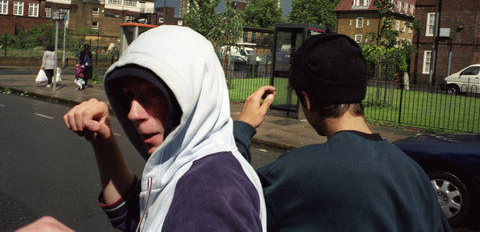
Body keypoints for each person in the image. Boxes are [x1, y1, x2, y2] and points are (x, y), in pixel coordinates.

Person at [234, 34, 451, 231]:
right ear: (360, 91)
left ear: (307, 101)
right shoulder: (413, 175)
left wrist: (243, 128)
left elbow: (225, 203)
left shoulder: (291, 173)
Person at [63, 26, 266, 231]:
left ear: (190, 95)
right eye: (129, 95)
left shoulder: (210, 195)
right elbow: (137, 217)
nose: (133, 113)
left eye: (152, 93)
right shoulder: (196, 163)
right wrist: (103, 141)